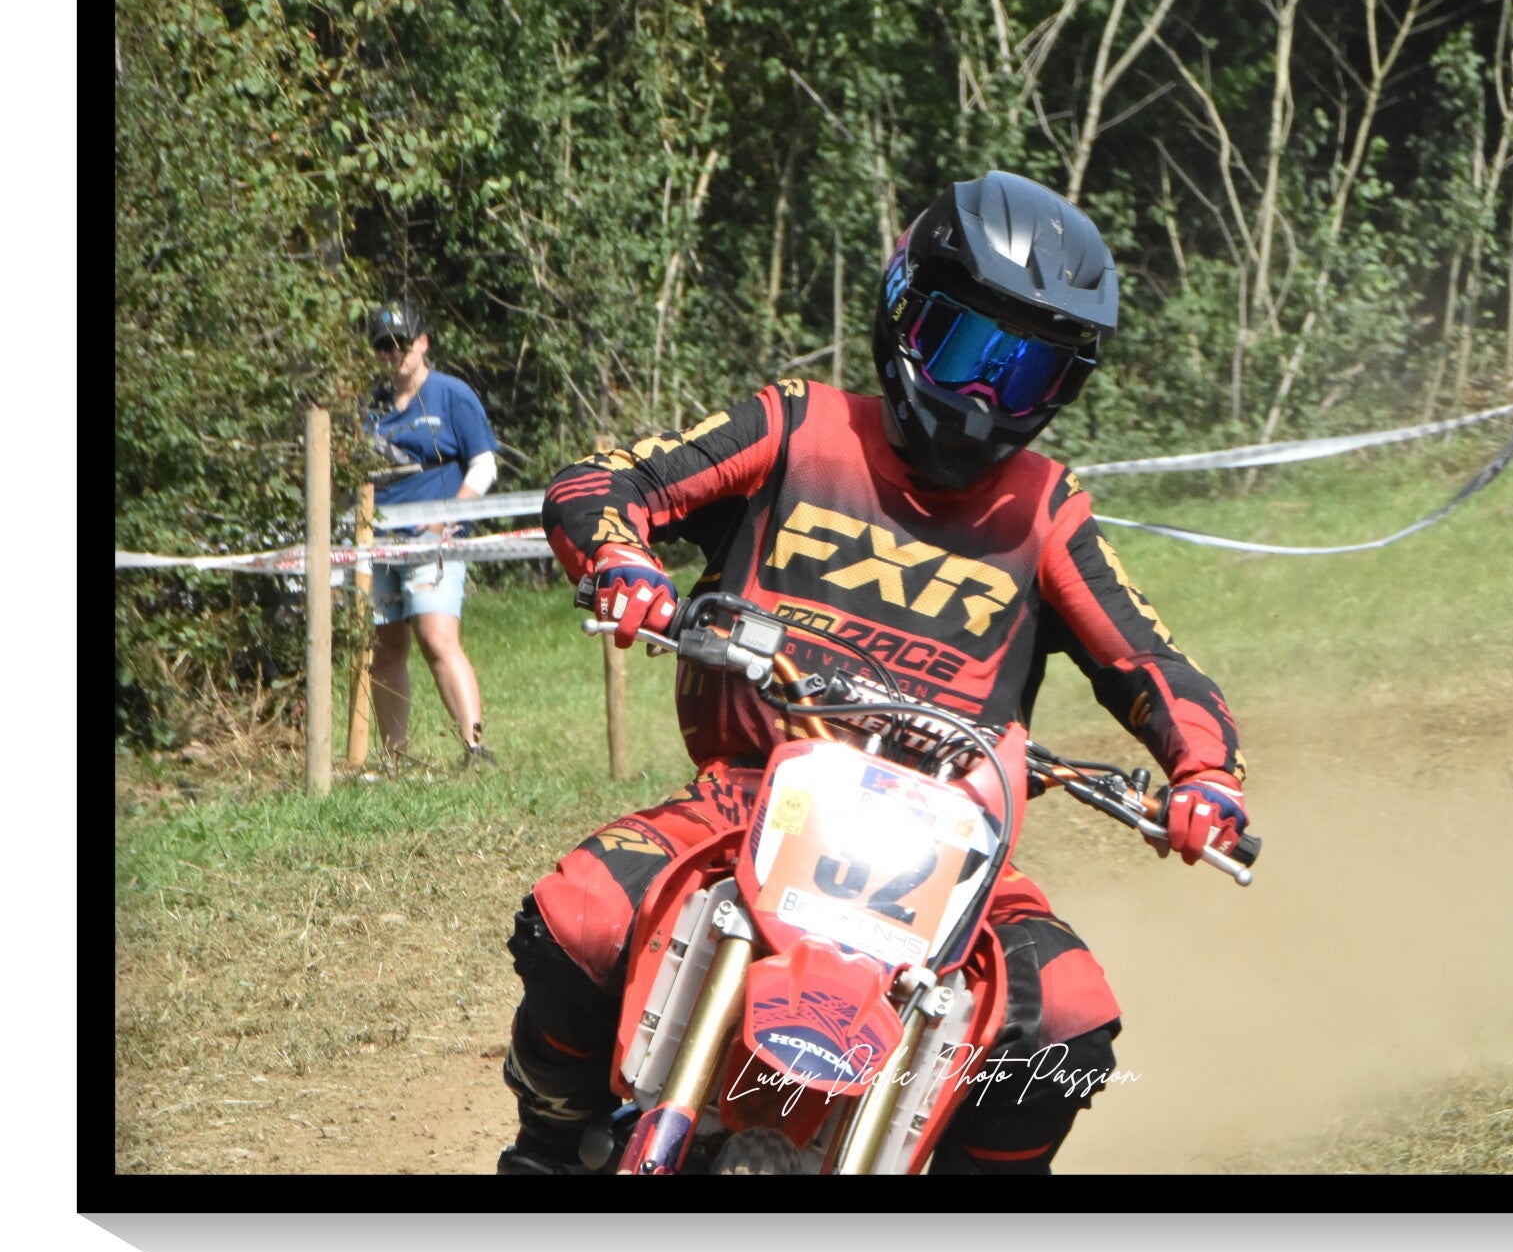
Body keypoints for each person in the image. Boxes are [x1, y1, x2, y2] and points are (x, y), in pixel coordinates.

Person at [499, 171, 1249, 1175]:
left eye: (1025, 374)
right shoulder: (797, 426)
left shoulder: (1045, 509)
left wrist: (1205, 772)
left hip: (953, 851)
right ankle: (548, 1151)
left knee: (1066, 1023)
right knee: (581, 913)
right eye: (968, 350)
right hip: (747, 800)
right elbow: (603, 483)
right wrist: (622, 558)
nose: (984, 397)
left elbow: (1146, 659)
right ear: (903, 309)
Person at [364, 297, 500, 767]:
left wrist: (446, 517)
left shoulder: (452, 394)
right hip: (377, 542)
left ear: (422, 342)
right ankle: (394, 755)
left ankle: (474, 746)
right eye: (384, 346)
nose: (393, 354)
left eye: (401, 343)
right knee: (385, 646)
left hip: (435, 542)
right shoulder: (370, 404)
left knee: (436, 636)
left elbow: (484, 466)